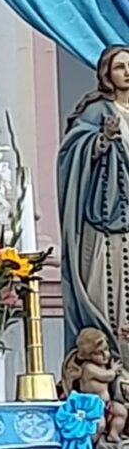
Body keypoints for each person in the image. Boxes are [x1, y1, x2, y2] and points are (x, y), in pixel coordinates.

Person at [60, 44, 129, 360]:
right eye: (120, 67)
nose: (127, 72)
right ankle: (112, 365)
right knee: (108, 292)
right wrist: (101, 141)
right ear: (107, 74)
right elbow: (72, 151)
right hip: (107, 219)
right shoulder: (96, 111)